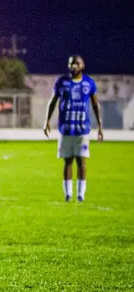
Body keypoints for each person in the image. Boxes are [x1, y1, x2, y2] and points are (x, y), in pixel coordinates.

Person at [44, 54, 103, 202]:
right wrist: (47, 121)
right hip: (66, 129)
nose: (73, 66)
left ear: (83, 66)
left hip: (82, 129)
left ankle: (81, 194)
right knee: (67, 162)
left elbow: (96, 105)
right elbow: (53, 102)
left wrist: (100, 126)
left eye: (76, 63)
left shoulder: (89, 83)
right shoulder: (62, 82)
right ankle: (68, 194)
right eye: (71, 64)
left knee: (82, 162)